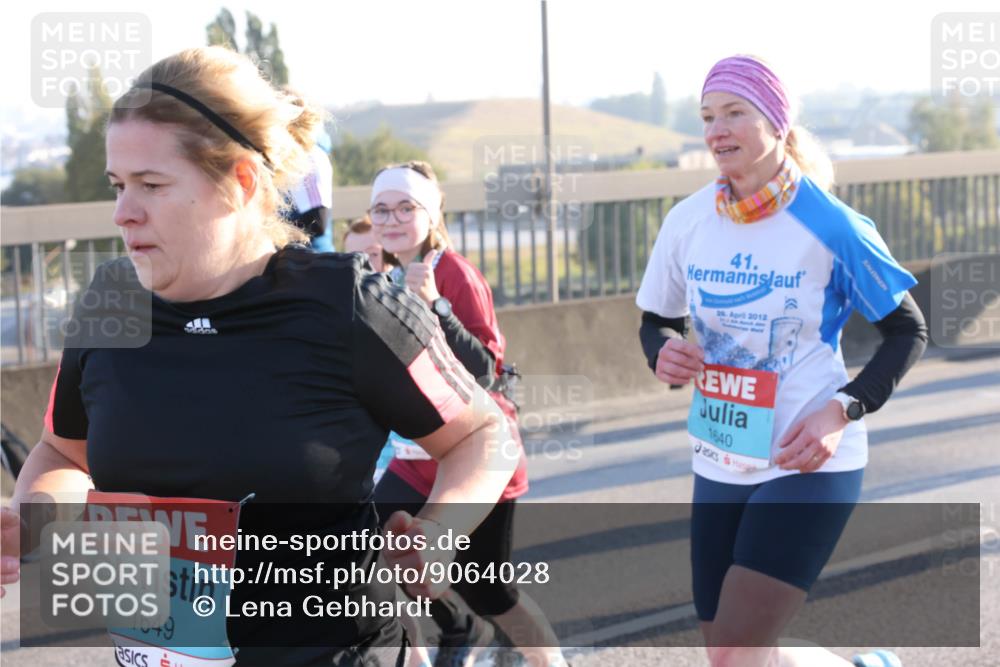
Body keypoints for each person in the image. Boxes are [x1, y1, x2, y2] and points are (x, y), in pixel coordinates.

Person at [0, 46, 519, 667]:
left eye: (151, 185)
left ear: (241, 182)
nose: (123, 212)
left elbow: (485, 433)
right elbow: (62, 451)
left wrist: (437, 532)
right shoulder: (111, 304)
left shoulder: (346, 306)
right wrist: (28, 520)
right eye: (118, 185)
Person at [636, 55, 927, 667]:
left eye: (735, 113)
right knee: (734, 655)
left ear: (776, 122)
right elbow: (654, 320)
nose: (717, 130)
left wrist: (839, 412)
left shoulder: (832, 225)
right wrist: (663, 351)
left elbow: (907, 330)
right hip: (720, 454)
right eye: (708, 116)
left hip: (807, 458)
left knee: (736, 654)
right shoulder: (688, 220)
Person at [369, 162, 567, 667]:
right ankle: (435, 647)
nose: (392, 220)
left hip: (479, 456)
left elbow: (484, 366)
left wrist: (436, 304)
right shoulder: (384, 276)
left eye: (405, 208)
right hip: (416, 457)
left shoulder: (453, 273)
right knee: (371, 561)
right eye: (381, 210)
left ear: (430, 213)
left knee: (488, 592)